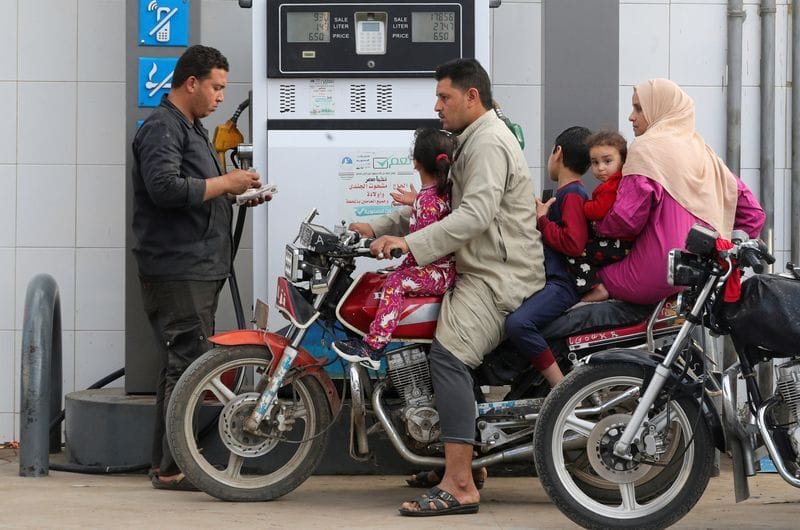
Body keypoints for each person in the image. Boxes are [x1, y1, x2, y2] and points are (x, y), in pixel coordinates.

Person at [350, 58, 545, 516]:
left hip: (498, 277)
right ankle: (467, 463)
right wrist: (371, 227)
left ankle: (459, 483)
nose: (437, 106)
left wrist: (408, 244)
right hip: (478, 267)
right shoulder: (469, 141)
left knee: (449, 355)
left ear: (471, 96)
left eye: (444, 97)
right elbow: (435, 204)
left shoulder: (488, 144)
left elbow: (474, 216)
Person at [131, 45, 270, 490]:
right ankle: (175, 467)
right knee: (187, 365)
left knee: (182, 366)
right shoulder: (161, 129)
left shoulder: (190, 128)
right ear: (191, 82)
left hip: (198, 265)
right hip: (178, 268)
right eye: (215, 87)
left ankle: (168, 464)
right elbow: (165, 189)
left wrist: (235, 195)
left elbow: (194, 190)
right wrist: (226, 181)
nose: (219, 97)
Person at [589, 78, 765, 304]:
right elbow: (753, 214)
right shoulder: (704, 152)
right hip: (701, 276)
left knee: (585, 278)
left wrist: (595, 227)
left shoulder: (646, 148)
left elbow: (627, 220)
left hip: (656, 272)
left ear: (659, 110)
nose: (631, 116)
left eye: (639, 109)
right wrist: (725, 248)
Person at [333, 128, 457, 369]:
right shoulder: (434, 194)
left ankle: (374, 346)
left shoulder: (429, 199)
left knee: (394, 283)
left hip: (438, 271)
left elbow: (428, 241)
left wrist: (399, 245)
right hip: (436, 267)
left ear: (416, 163)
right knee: (387, 277)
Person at [504, 126, 591, 388]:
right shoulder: (565, 194)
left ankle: (561, 388)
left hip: (562, 284)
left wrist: (542, 220)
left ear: (558, 152)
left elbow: (573, 243)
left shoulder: (573, 194)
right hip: (551, 280)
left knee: (518, 324)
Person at [567, 130, 634, 301]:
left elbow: (598, 211)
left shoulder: (612, 186)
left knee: (575, 252)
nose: (600, 167)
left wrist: (583, 206)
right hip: (621, 243)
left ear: (623, 160)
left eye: (607, 161)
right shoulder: (620, 181)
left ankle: (594, 288)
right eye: (595, 162)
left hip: (616, 243)